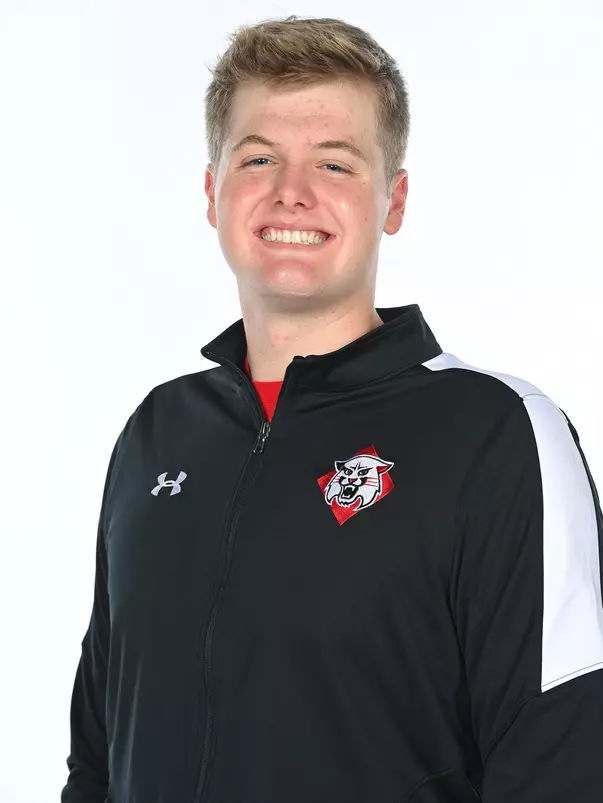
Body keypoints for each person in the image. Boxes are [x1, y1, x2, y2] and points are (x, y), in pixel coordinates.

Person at [61, 15, 603, 803]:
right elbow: (97, 753)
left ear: (394, 200)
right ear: (213, 193)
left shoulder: (496, 434)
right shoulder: (157, 433)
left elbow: (564, 753)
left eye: (336, 164)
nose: (293, 191)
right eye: (258, 158)